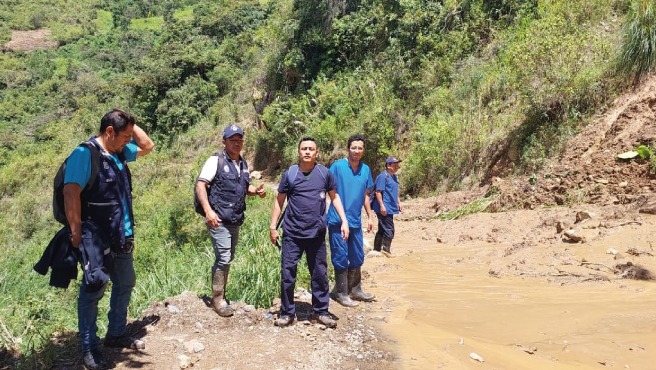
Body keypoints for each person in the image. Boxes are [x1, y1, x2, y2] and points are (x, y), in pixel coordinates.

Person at [63, 109, 154, 370]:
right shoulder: (85, 153)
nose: (130, 141)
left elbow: (147, 145)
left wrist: (131, 122)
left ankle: (115, 333)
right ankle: (89, 346)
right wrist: (75, 230)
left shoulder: (120, 152)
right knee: (94, 288)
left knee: (125, 281)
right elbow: (71, 192)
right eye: (125, 135)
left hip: (121, 233)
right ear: (109, 132)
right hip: (95, 236)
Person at [269, 136, 349, 328]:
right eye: (304, 148)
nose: (307, 152)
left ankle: (321, 311)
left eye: (311, 149)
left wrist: (344, 220)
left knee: (320, 274)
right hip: (292, 234)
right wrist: (273, 227)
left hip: (316, 234)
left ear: (316, 153)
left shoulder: (324, 174)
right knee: (288, 273)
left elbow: (334, 197)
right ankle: (287, 312)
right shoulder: (290, 173)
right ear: (298, 152)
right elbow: (279, 201)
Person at [195, 124, 266, 317]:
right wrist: (208, 211)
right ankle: (217, 299)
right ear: (224, 141)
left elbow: (245, 187)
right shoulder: (215, 161)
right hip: (218, 219)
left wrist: (256, 192)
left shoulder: (243, 164)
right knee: (224, 257)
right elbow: (201, 185)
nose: (236, 143)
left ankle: (221, 295)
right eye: (232, 140)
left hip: (235, 219)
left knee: (228, 257)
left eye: (239, 140)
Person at [326, 134, 376, 307]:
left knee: (357, 255)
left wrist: (369, 216)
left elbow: (365, 195)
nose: (356, 151)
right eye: (353, 147)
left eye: (360, 148)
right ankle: (341, 293)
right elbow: (329, 191)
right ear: (348, 149)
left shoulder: (366, 169)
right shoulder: (337, 167)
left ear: (363, 150)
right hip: (337, 221)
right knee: (341, 255)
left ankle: (355, 289)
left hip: (355, 220)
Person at [372, 157, 402, 256]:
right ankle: (386, 250)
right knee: (389, 229)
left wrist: (399, 202)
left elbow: (395, 191)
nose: (397, 166)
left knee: (382, 228)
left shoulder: (394, 177)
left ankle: (376, 249)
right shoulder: (383, 176)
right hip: (384, 207)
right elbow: (378, 192)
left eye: (397, 164)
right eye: (395, 165)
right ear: (388, 166)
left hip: (390, 206)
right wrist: (382, 206)